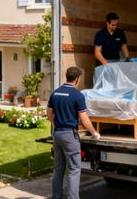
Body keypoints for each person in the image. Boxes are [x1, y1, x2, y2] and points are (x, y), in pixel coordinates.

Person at [47, 67, 100, 199]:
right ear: (77, 79)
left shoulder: (55, 93)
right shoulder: (77, 95)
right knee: (74, 169)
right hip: (69, 135)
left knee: (58, 168)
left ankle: (56, 196)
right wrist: (94, 132)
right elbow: (84, 118)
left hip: (57, 133)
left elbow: (49, 115)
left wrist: (58, 122)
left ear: (67, 76)